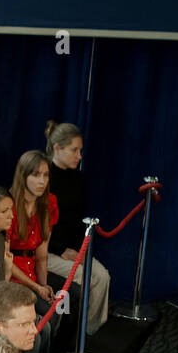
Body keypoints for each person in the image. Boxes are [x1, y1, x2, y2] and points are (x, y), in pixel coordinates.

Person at [45, 120, 110, 335]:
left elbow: (78, 220)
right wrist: (60, 250)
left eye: (80, 151)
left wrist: (79, 251)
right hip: (49, 251)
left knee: (102, 277)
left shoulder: (78, 179)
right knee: (85, 277)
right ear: (57, 148)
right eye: (74, 150)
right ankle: (70, 334)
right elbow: (39, 228)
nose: (79, 156)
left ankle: (88, 332)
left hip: (73, 250)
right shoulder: (44, 179)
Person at [7, 149, 59, 314]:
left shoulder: (49, 203)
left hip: (34, 274)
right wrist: (37, 287)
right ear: (24, 176)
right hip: (12, 277)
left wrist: (44, 286)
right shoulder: (9, 205)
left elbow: (42, 255)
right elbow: (5, 258)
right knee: (46, 319)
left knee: (61, 307)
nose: (42, 181)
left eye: (46, 175)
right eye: (36, 175)